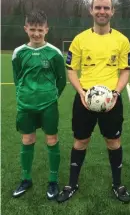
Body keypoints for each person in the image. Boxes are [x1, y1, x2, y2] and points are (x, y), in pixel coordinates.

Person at [57, 0, 130, 203]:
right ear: (91, 10)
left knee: (114, 141)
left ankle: (118, 185)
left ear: (112, 11)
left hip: (112, 101)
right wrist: (81, 92)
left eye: (106, 8)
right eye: (98, 7)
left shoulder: (122, 40)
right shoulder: (80, 39)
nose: (102, 11)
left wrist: (115, 94)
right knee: (80, 141)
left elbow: (125, 70)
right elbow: (71, 70)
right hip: (85, 100)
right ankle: (72, 184)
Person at [12, 10, 66, 200]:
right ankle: (26, 179)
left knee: (51, 140)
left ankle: (53, 181)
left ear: (46, 30)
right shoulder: (19, 53)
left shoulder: (54, 53)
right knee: (27, 140)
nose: (36, 33)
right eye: (32, 29)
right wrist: (24, 96)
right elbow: (17, 78)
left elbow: (62, 81)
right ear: (26, 28)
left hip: (48, 105)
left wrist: (51, 97)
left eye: (40, 30)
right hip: (26, 105)